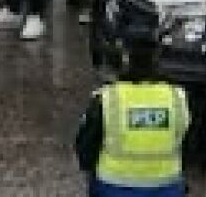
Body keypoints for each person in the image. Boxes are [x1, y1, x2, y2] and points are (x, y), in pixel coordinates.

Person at [74, 36, 190, 197]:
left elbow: (85, 148)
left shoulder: (107, 98)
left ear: (124, 62)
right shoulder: (177, 96)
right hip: (166, 187)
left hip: (113, 187)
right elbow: (186, 142)